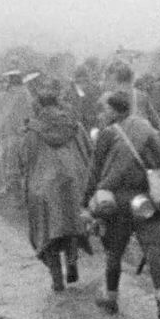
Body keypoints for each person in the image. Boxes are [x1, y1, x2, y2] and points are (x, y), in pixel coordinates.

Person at [83, 90, 160, 319]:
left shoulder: (107, 134)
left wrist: (85, 201)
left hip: (116, 201)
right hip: (144, 199)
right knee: (154, 249)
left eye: (106, 110)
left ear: (114, 110)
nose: (104, 114)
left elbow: (94, 170)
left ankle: (111, 299)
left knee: (114, 250)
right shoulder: (147, 129)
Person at [23, 78, 93, 292]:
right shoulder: (74, 125)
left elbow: (27, 158)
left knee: (47, 229)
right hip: (72, 181)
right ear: (58, 104)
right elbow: (88, 150)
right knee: (71, 223)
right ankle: (72, 262)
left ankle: (56, 279)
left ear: (39, 106)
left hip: (43, 186)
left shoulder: (33, 130)